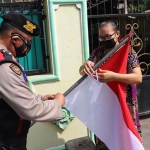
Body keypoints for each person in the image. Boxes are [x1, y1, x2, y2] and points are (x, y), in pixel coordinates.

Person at [0, 12, 66, 150]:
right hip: (6, 142)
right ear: (15, 38)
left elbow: (9, 96)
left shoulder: (5, 58)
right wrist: (57, 103)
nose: (28, 46)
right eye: (27, 41)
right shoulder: (4, 65)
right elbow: (31, 110)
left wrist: (40, 98)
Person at [79, 20, 142, 150]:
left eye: (108, 36)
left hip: (124, 102)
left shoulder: (129, 53)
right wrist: (84, 66)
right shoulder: (98, 52)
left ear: (117, 34)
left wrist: (113, 76)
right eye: (101, 37)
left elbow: (138, 77)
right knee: (105, 137)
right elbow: (82, 71)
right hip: (103, 102)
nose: (104, 40)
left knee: (124, 137)